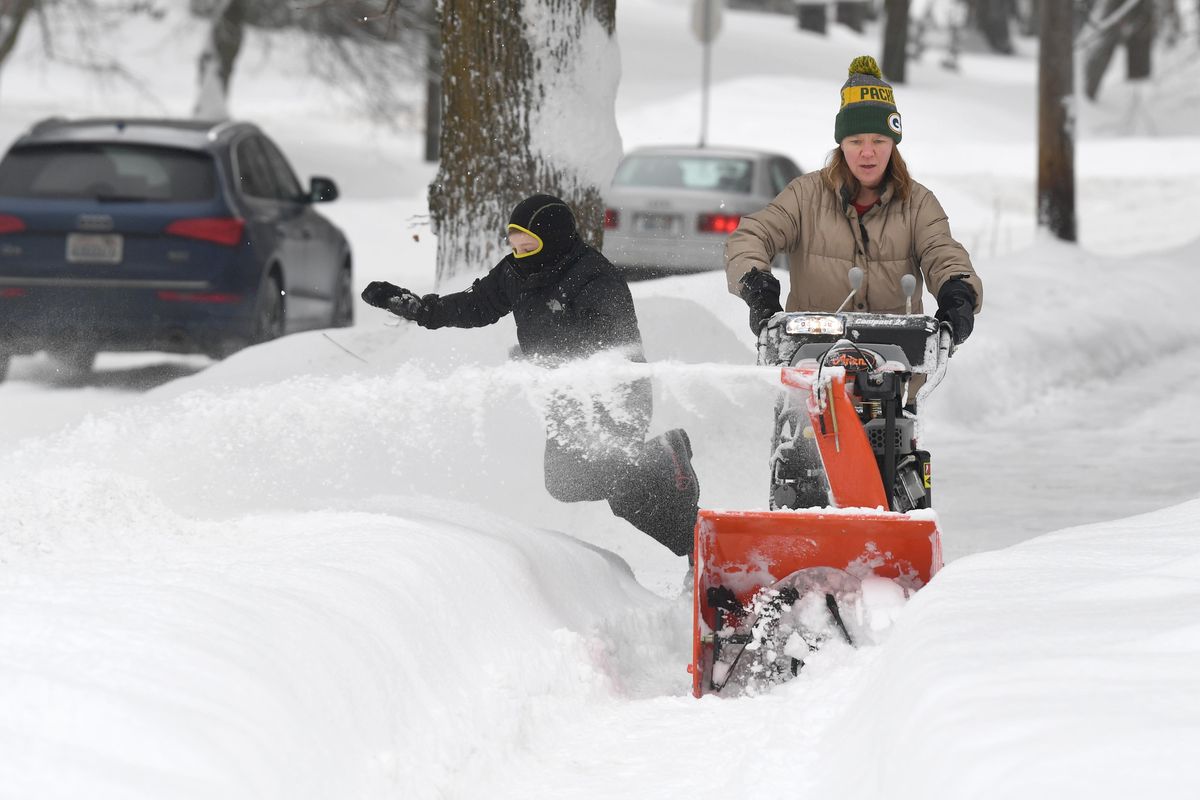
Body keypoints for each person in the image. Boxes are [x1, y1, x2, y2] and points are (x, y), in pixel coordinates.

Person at [360, 193, 700, 559]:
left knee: (618, 482)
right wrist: (423, 309)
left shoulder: (594, 277)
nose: (520, 254)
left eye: (529, 245)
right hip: (564, 396)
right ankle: (684, 511)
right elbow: (476, 305)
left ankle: (692, 535)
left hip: (614, 393)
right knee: (567, 482)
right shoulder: (516, 272)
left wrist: (552, 357)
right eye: (516, 245)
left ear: (552, 240)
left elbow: (614, 340)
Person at [725, 55, 983, 347]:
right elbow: (752, 235)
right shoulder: (804, 196)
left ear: (894, 143)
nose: (868, 153)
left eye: (879, 141)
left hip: (894, 371)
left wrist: (957, 293)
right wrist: (758, 287)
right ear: (841, 143)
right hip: (809, 364)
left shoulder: (919, 204)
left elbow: (943, 254)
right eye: (856, 141)